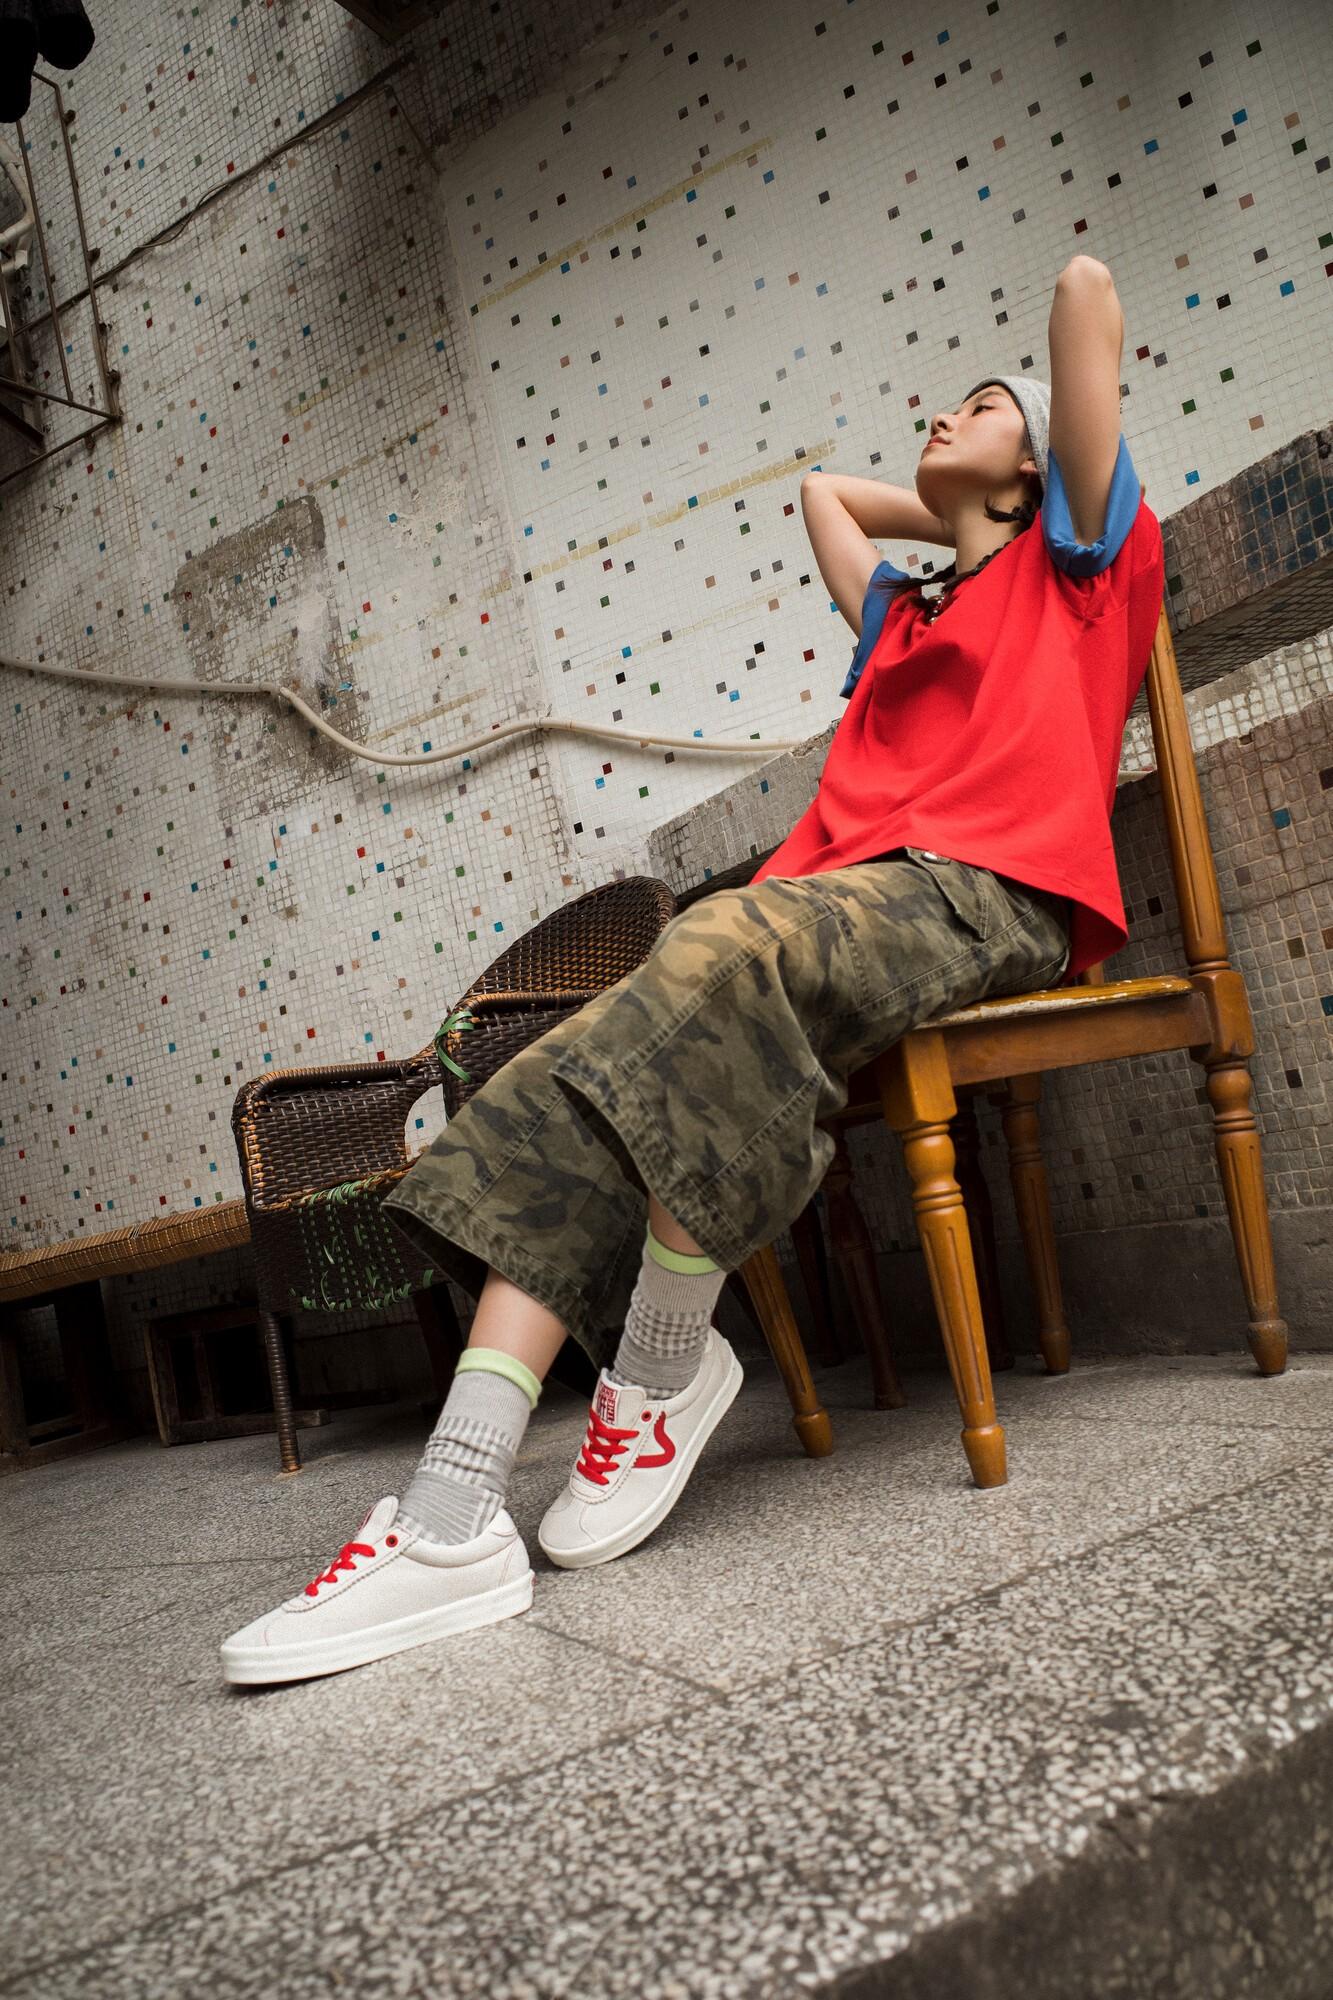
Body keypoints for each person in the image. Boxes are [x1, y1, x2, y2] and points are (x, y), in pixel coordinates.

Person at [220, 363, 1165, 1688]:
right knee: (570, 1056)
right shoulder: (908, 619)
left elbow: (1084, 292)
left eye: (985, 404)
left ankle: (658, 1364)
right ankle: (455, 1512)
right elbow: (822, 495)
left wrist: (1021, 503)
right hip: (840, 903)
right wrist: (965, 513)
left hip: (989, 895)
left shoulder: (1083, 570)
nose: (946, 413)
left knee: (718, 946)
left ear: (1040, 469)